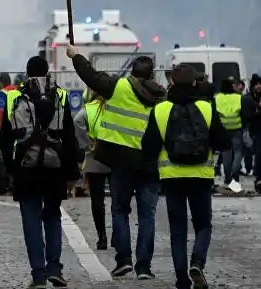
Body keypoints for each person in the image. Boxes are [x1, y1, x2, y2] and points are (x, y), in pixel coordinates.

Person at [66, 46, 166, 279]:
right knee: (147, 216)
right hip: (149, 164)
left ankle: (124, 260)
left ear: (132, 73)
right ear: (152, 74)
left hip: (121, 162)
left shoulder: (118, 87)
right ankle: (144, 267)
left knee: (120, 210)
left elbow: (90, 76)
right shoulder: (162, 97)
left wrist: (75, 55)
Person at [142, 63, 227, 289]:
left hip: (171, 177)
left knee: (177, 230)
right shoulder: (207, 108)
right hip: (201, 176)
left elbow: (148, 147)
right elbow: (223, 142)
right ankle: (197, 262)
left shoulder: (160, 110)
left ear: (171, 82)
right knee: (203, 225)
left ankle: (181, 280)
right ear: (194, 82)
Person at [0, 55, 80, 288]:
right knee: (53, 217)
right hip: (55, 167)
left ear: (27, 74)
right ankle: (55, 268)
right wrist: (72, 171)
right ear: (47, 73)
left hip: (26, 167)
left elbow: (5, 138)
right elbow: (69, 136)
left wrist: (10, 168)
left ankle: (38, 274)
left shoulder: (14, 96)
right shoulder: (60, 95)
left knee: (31, 220)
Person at [73, 88, 111, 250]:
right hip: (115, 158)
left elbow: (77, 122)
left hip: (94, 159)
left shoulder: (88, 109)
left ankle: (102, 237)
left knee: (97, 200)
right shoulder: (113, 106)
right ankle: (118, 236)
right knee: (118, 201)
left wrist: (87, 145)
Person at [214, 79, 245, 188]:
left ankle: (228, 178)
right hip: (236, 128)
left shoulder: (217, 97)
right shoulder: (238, 97)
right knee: (238, 153)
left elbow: (215, 114)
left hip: (223, 130)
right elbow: (243, 113)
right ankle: (235, 173)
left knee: (226, 154)